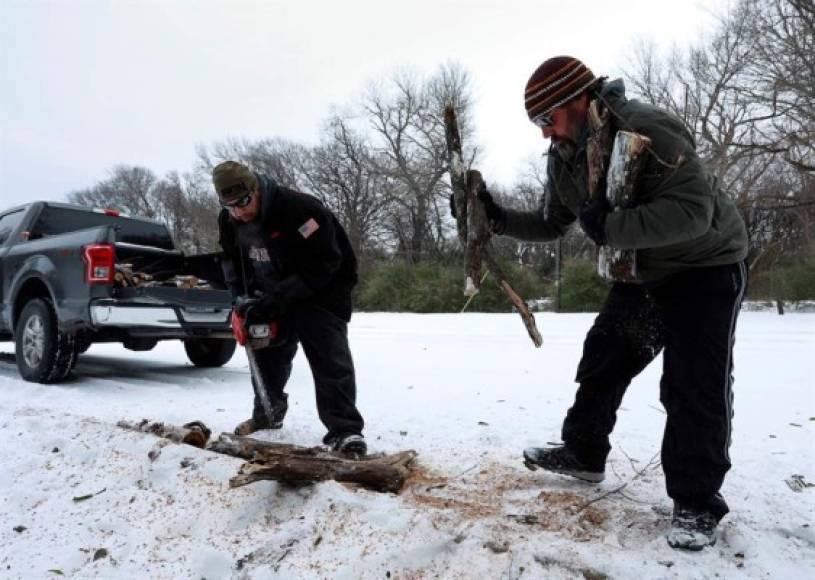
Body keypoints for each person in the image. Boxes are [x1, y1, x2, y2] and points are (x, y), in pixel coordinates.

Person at [454, 56, 748, 550]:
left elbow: (693, 213)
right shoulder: (565, 153)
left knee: (693, 382)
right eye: (536, 124)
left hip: (706, 264)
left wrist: (610, 228)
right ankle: (584, 452)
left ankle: (697, 503)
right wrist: (498, 218)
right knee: (605, 355)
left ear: (578, 99)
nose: (544, 134)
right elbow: (554, 222)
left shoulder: (647, 128)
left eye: (547, 119)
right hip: (643, 269)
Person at [214, 160, 366, 456]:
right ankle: (268, 414)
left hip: (323, 289)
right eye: (230, 206)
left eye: (243, 202)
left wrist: (280, 295)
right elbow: (232, 261)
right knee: (265, 351)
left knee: (328, 358)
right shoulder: (229, 220)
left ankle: (345, 431)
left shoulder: (300, 209)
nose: (239, 212)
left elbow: (327, 262)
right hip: (272, 289)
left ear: (256, 189)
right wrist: (241, 299)